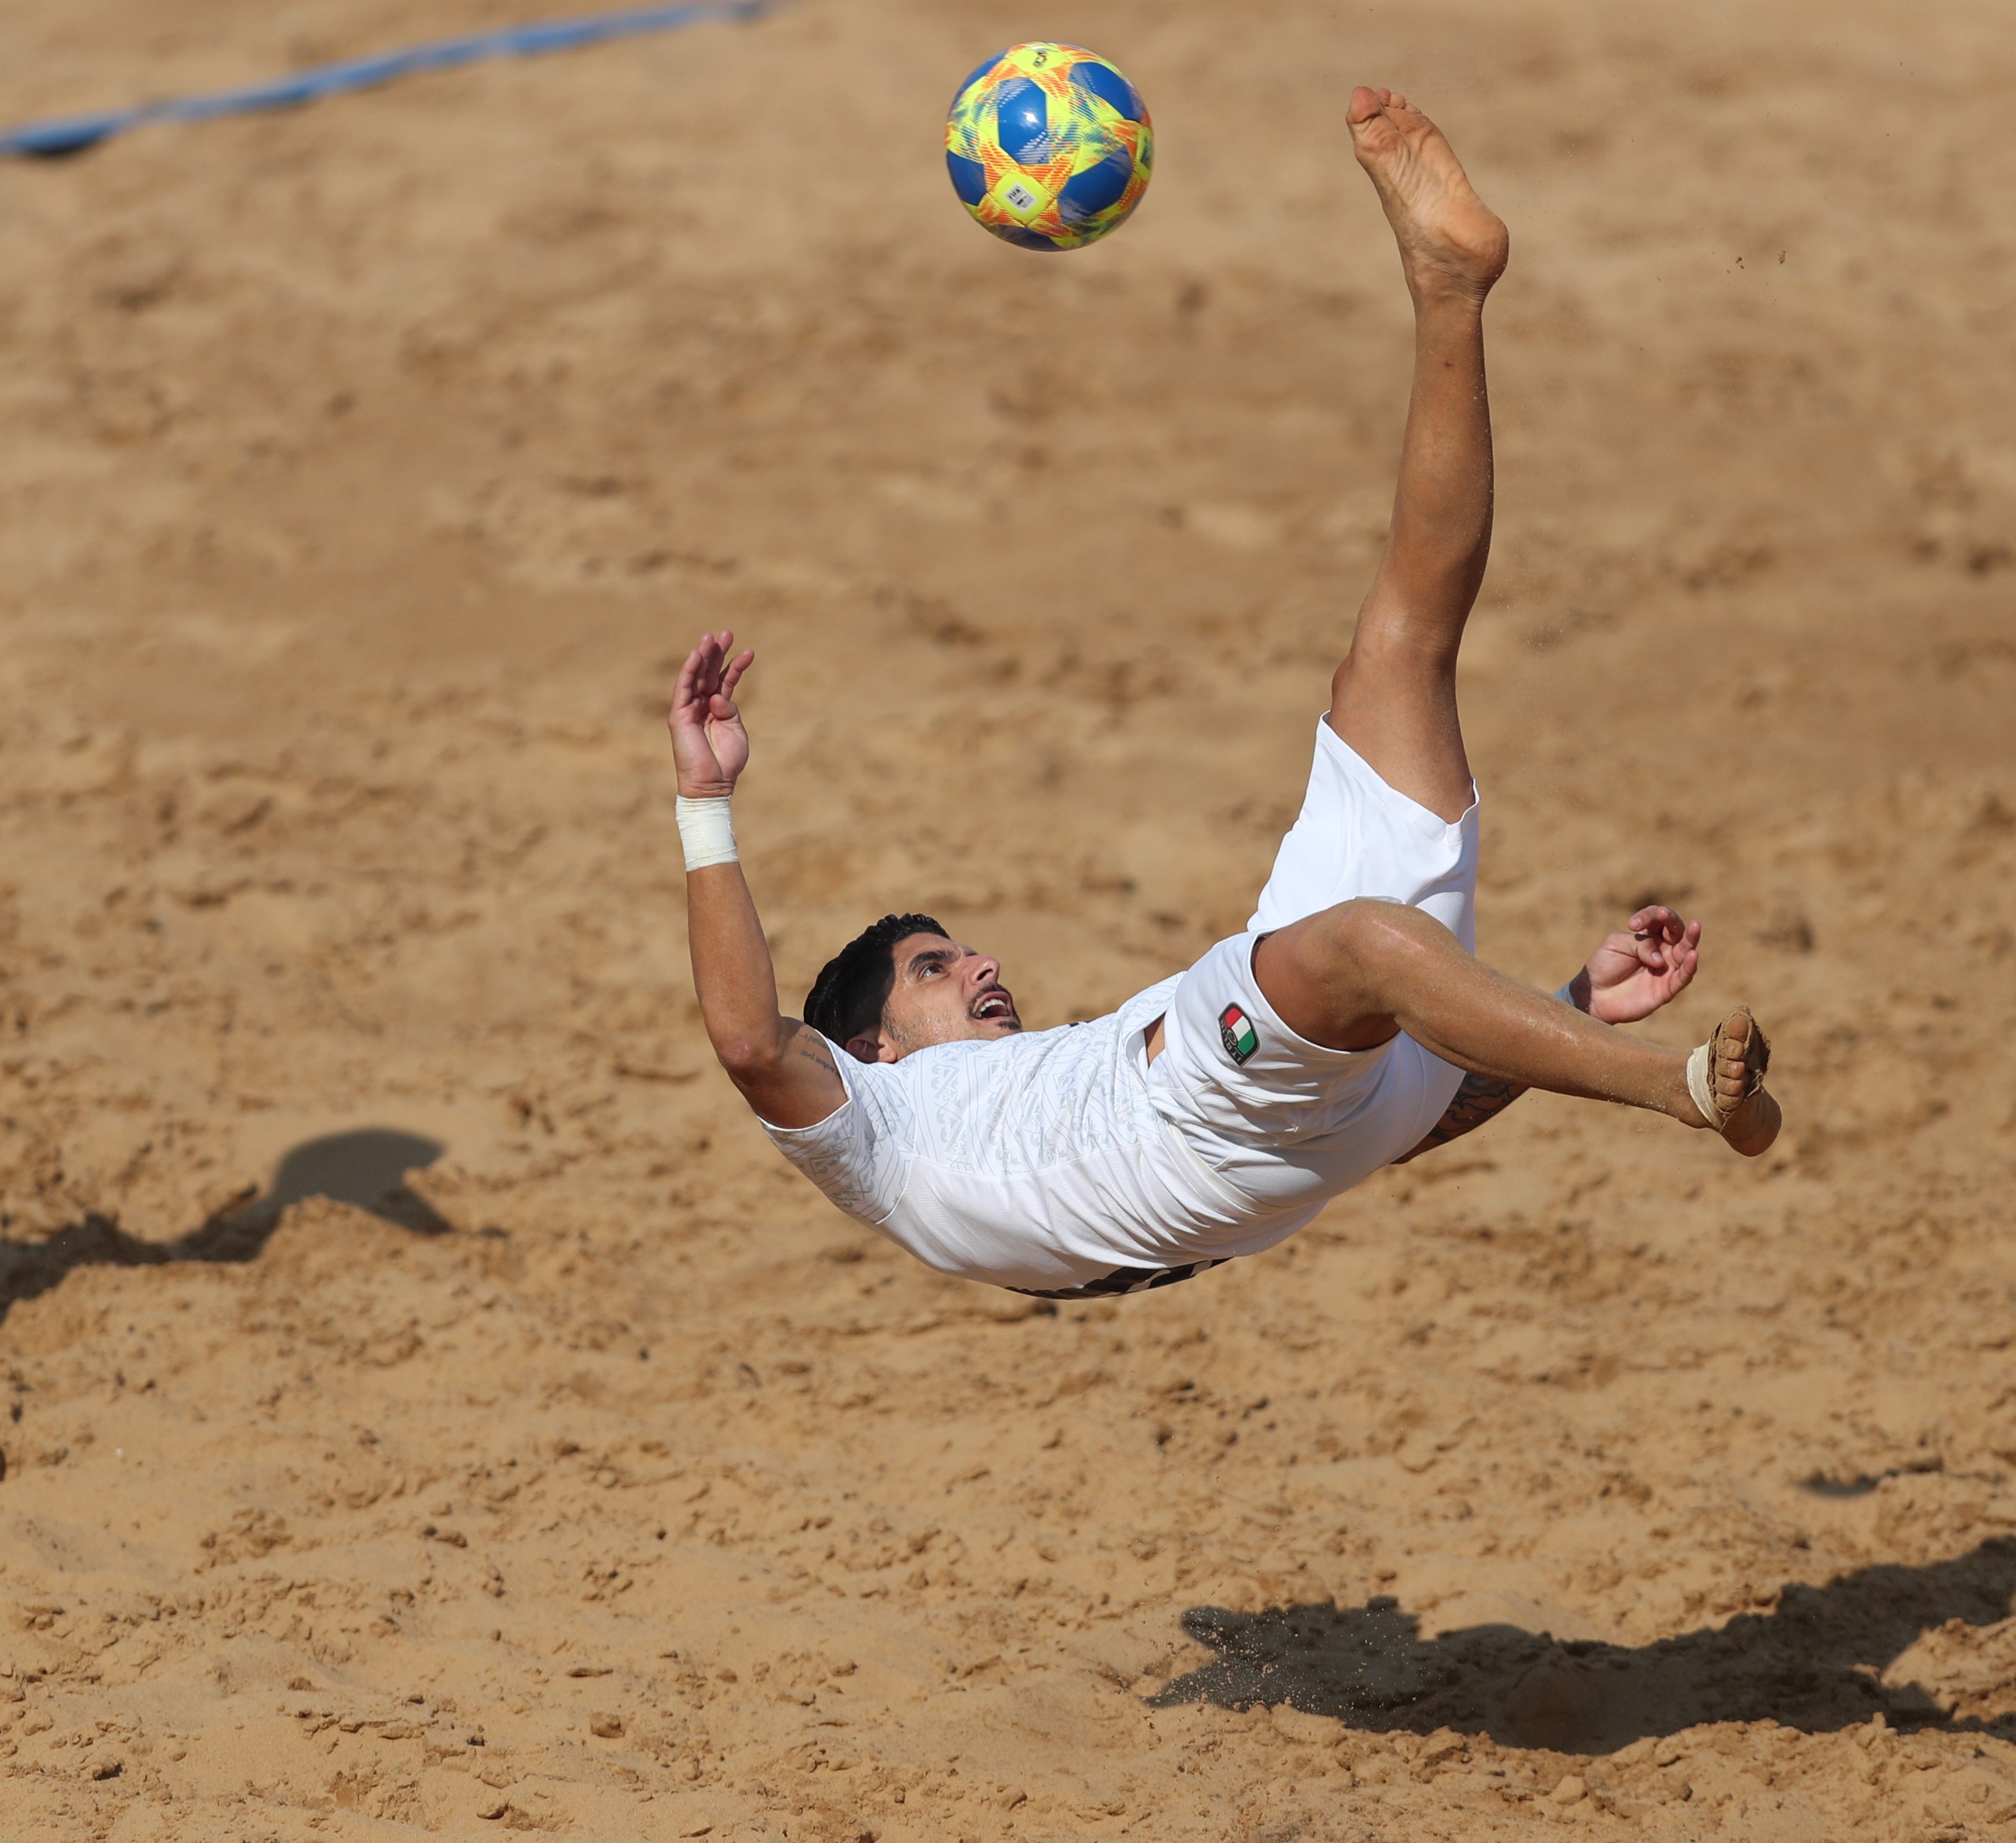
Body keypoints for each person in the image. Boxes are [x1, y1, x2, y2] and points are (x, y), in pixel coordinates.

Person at [667, 87, 1778, 1300]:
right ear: (868, 1049)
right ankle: (1675, 1087)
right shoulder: (873, 1128)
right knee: (1360, 943)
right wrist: (703, 801)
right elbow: (743, 1038)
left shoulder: (1043, 1084)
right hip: (1197, 1100)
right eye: (932, 969)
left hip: (1297, 1104)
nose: (979, 962)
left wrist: (1570, 1003)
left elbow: (1387, 1130)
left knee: (1400, 646)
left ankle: (1448, 288)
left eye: (956, 948)